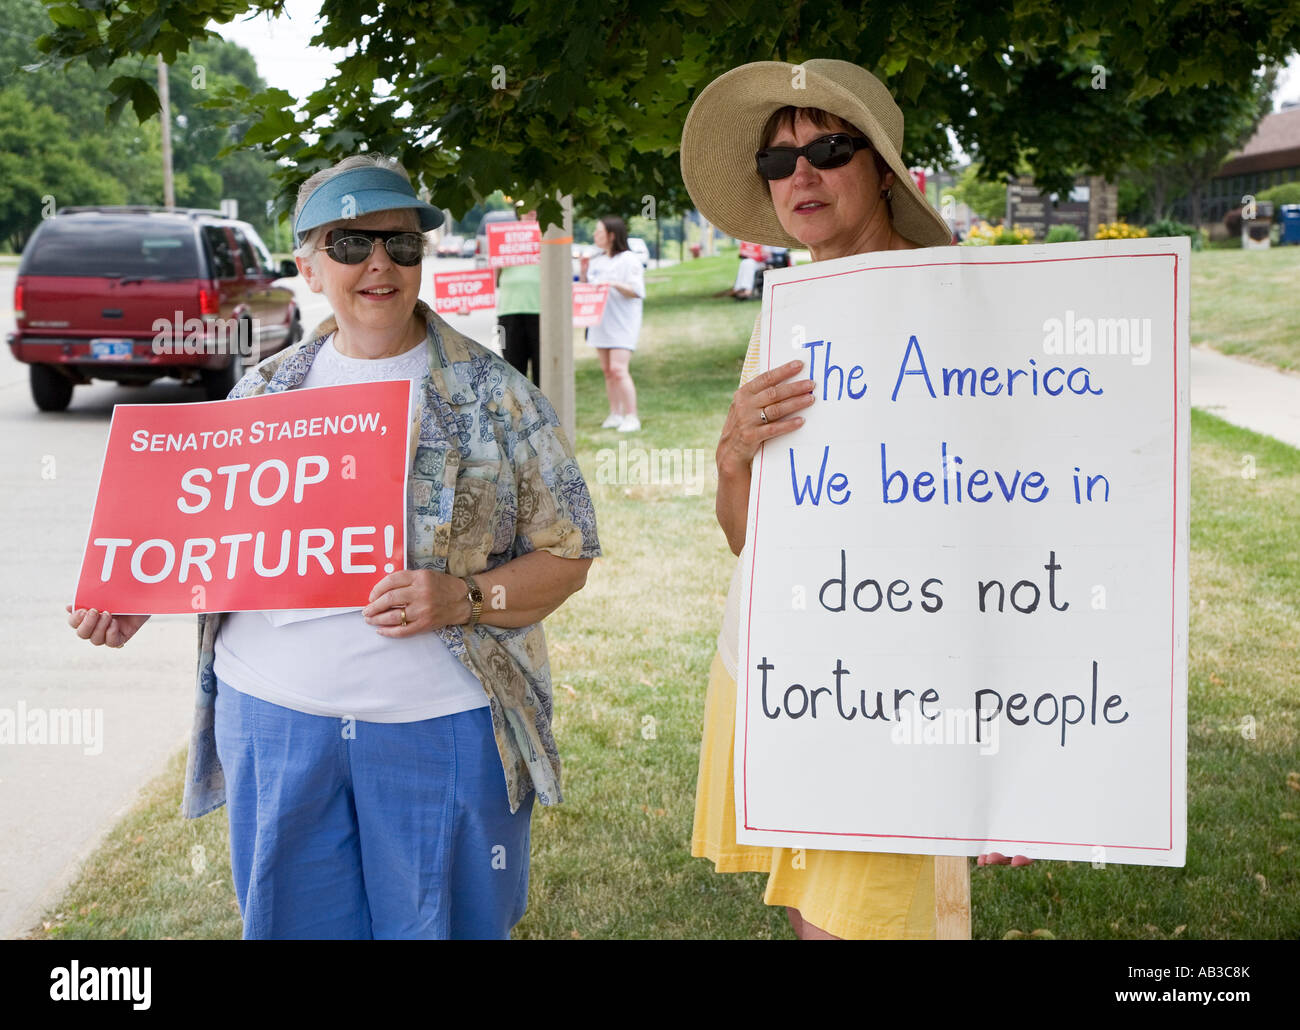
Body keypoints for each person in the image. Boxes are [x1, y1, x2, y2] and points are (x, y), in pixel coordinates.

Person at [66, 154, 601, 940]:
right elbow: (218, 546)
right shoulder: (261, 392)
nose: (379, 263)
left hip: (441, 727)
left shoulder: (498, 397)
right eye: (350, 244)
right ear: (310, 266)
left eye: (401, 244)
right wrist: (143, 595)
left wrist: (464, 597)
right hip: (277, 725)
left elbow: (570, 554)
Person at [679, 59, 1027, 941]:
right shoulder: (792, 310)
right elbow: (749, 542)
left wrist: (1015, 742)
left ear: (882, 169)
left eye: (830, 148)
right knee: (816, 920)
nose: (801, 174)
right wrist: (732, 459)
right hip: (779, 669)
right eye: (777, 159)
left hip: (906, 683)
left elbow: (1029, 526)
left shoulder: (964, 304)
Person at [580, 215, 644, 432]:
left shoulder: (629, 260)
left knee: (619, 369)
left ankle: (631, 415)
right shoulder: (597, 261)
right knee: (607, 370)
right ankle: (615, 413)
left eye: (599, 232)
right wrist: (583, 269)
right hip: (601, 323)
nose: (595, 236)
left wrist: (613, 284)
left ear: (611, 235)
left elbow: (636, 291)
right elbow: (587, 289)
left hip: (622, 323)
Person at [495, 209, 541, 386]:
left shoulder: (549, 237)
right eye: (525, 207)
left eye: (536, 207)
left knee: (543, 371)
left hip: (540, 311)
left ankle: (543, 412)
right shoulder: (503, 238)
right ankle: (519, 413)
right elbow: (491, 280)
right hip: (509, 311)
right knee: (513, 371)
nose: (531, 211)